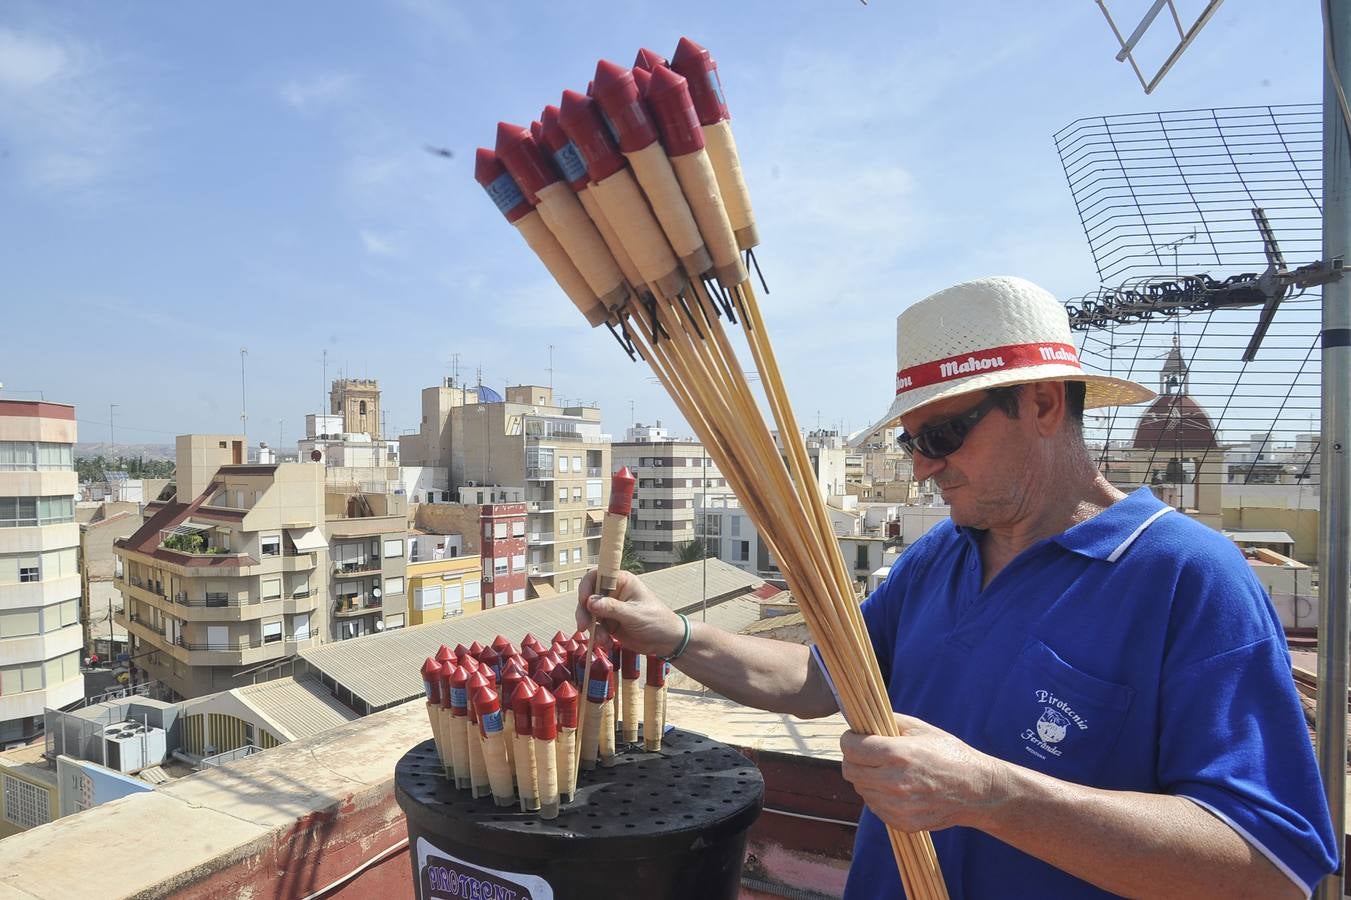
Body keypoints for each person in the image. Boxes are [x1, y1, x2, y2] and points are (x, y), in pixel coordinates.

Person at [577, 276, 1338, 898]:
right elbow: (823, 677)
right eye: (911, 442)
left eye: (942, 435)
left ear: (1042, 404)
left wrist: (991, 795)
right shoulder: (940, 555)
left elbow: (1268, 868)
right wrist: (673, 636)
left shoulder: (1188, 579)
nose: (921, 466)